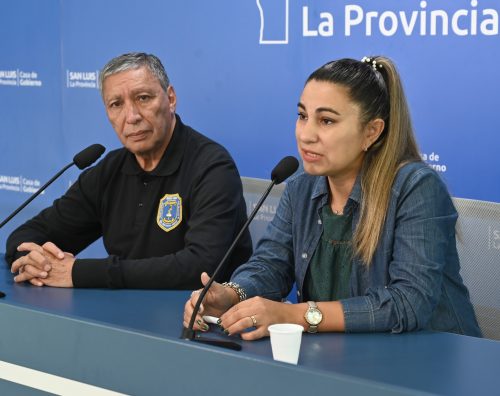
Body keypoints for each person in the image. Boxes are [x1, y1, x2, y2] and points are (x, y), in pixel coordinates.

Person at [184, 56, 481, 338]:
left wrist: (294, 315)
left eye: (326, 121)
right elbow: (270, 265)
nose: (306, 134)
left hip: (432, 359)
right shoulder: (301, 188)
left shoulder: (416, 187)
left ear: (372, 132)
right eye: (302, 116)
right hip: (346, 358)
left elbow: (407, 303)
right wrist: (232, 294)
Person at [5, 52, 252, 289]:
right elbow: (27, 234)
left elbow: (201, 267)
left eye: (143, 98)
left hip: (199, 314)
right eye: (116, 104)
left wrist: (78, 273)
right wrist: (34, 260)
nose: (131, 116)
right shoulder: (110, 170)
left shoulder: (212, 166)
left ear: (170, 99)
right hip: (121, 313)